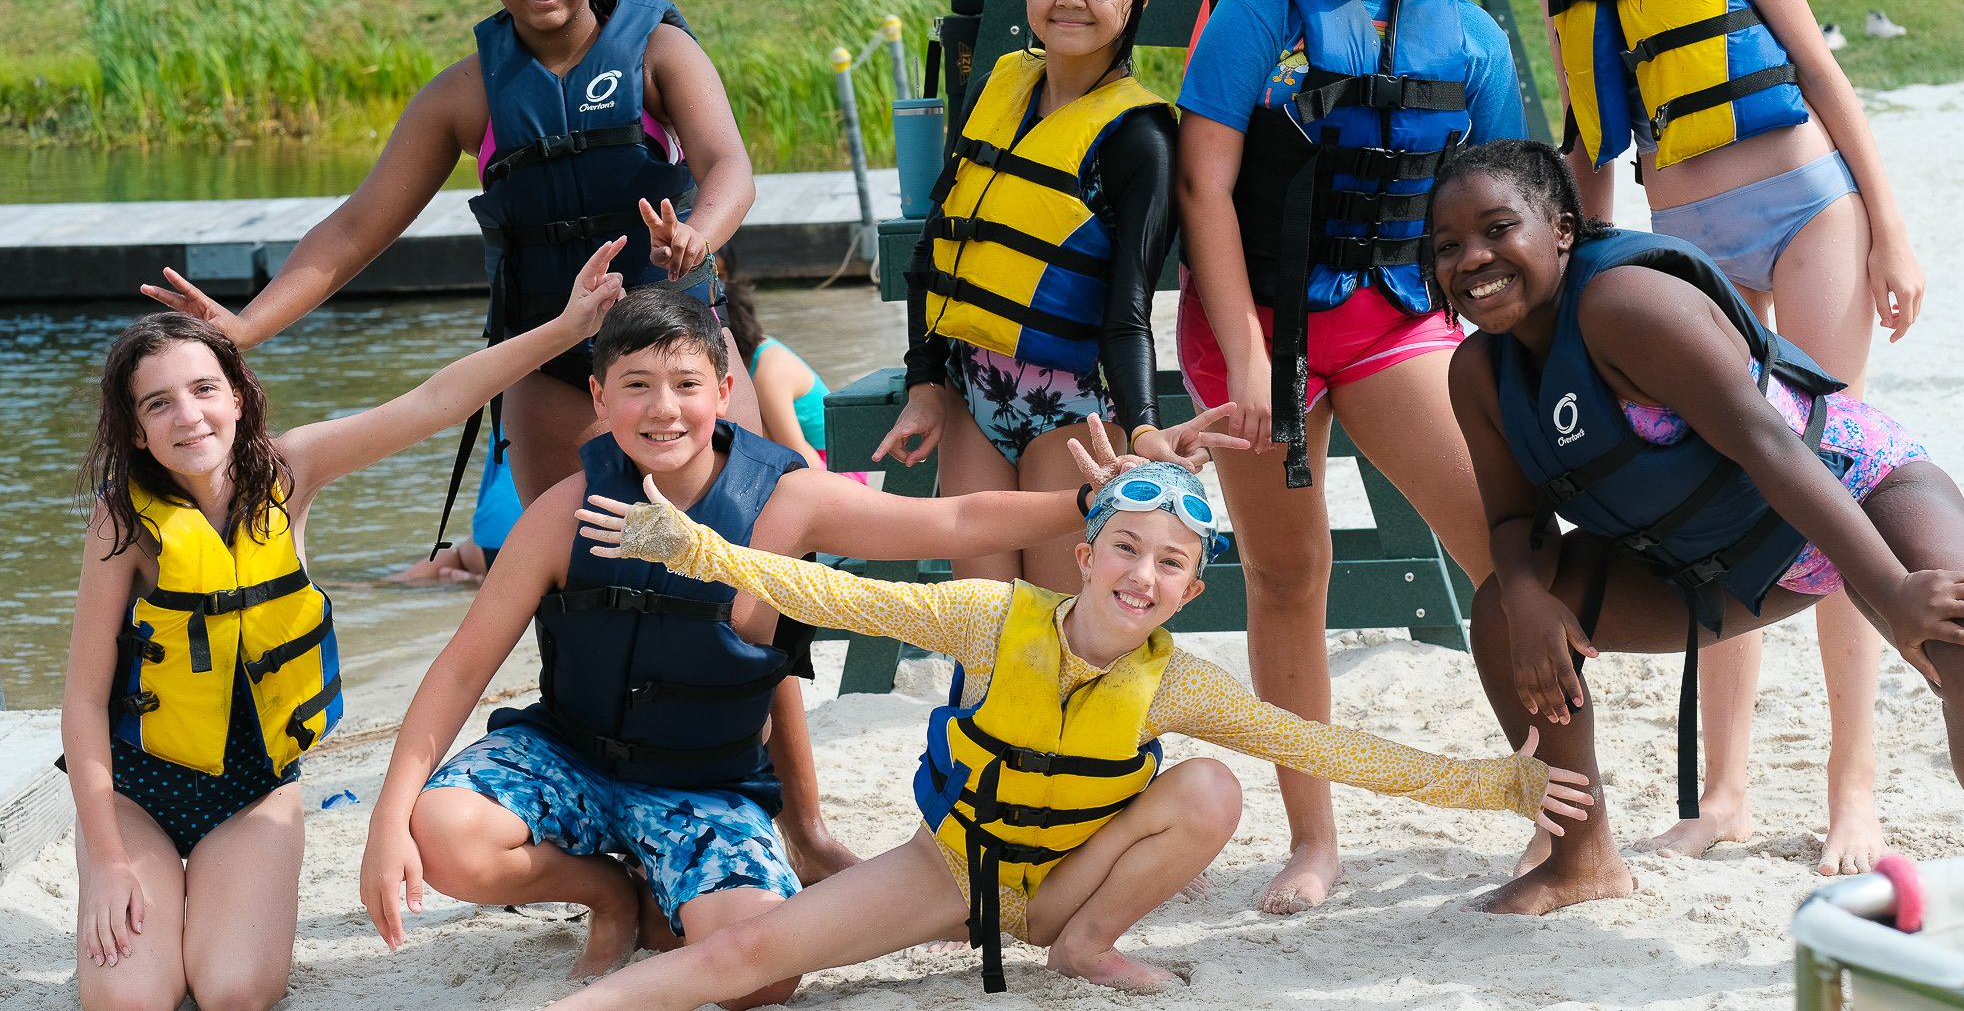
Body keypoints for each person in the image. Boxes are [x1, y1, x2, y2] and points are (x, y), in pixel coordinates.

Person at [358, 284, 1242, 983]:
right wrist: (386, 822)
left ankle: (664, 889)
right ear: (598, 395)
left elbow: (956, 518)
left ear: (724, 390)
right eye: (635, 385)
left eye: (685, 384)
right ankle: (608, 892)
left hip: (702, 785)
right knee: (443, 833)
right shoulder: (565, 513)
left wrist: (1089, 500)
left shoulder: (786, 500)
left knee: (757, 976)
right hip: (569, 757)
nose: (662, 410)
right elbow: (459, 669)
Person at [556, 459, 1592, 1006]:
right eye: (1125, 550)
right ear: (1087, 554)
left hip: (1059, 893)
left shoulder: (1174, 683)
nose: (1142, 575)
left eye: (1168, 565)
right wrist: (700, 549)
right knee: (753, 956)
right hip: (945, 872)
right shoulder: (982, 618)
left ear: (1188, 590)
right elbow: (834, 593)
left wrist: (1488, 785)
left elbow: (1324, 746)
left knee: (1212, 789)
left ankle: (1086, 950)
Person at [1427, 139, 1964, 917]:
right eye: (1448, 246)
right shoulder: (1478, 374)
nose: (1473, 258)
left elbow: (1766, 443)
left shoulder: (1625, 304)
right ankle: (1581, 858)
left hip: (1848, 487)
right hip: (1710, 560)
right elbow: (1517, 517)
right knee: (1498, 615)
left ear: (1560, 227)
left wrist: (1893, 588)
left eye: (1496, 228)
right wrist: (1525, 598)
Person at [1536, 0, 1925, 878]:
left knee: (1829, 492)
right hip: (1685, 234)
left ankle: (1850, 788)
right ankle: (1723, 793)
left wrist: (1889, 231)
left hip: (1808, 210)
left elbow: (1815, 66)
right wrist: (1581, 297)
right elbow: (1586, 143)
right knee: (1720, 509)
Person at [61, 243, 628, 1011]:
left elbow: (434, 401)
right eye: (158, 402)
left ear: (237, 396)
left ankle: (201, 910)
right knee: (132, 1000)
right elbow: (83, 703)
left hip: (251, 790)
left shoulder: (290, 474)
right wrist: (108, 860)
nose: (187, 415)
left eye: (203, 389)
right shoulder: (121, 521)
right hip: (138, 791)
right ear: (134, 431)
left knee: (232, 992)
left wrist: (567, 327)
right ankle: (151, 895)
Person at [138, 0, 759, 510]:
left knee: (739, 557)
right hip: (548, 365)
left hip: (684, 339)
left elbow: (729, 166)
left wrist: (699, 233)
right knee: (582, 580)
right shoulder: (463, 96)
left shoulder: (658, 51)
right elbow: (356, 227)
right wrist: (247, 327)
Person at [1173, 0, 1529, 914]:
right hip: (1254, 327)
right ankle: (1311, 840)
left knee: (1502, 552)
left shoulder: (1467, 39)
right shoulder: (1259, 10)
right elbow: (1203, 185)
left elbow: (1510, 200)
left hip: (1389, 317)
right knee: (1287, 577)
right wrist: (1245, 356)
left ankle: (1553, 797)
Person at [881, 0, 1224, 591]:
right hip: (969, 391)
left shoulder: (1142, 139)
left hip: (1069, 412)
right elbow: (935, 251)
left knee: (1054, 628)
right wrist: (924, 382)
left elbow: (1127, 313)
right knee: (979, 625)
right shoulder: (1003, 81)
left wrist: (1146, 430)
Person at [720, 270, 860, 479]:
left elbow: (800, 461)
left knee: (741, 427)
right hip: (826, 460)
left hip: (837, 472)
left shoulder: (769, 372)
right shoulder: (756, 349)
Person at [389, 423, 522, 585]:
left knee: (458, 555)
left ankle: (387, 582)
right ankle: (478, 582)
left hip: (488, 538)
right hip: (529, 547)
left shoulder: (505, 408)